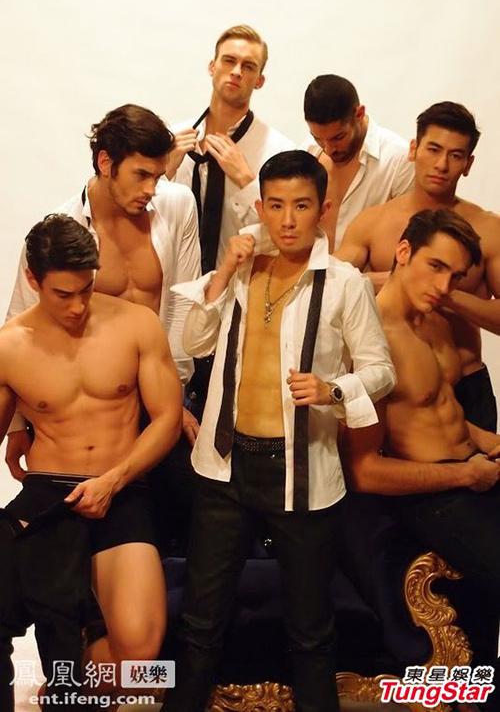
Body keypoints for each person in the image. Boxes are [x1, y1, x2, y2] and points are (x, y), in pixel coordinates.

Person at [161, 150, 396, 712]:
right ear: (261, 207)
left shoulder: (345, 284)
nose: (288, 220)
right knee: (200, 623)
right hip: (224, 466)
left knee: (311, 631)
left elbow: (381, 370)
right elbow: (195, 343)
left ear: (324, 209)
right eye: (276, 205)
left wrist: (333, 389)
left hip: (303, 471)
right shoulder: (242, 270)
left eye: (301, 206)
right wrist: (222, 272)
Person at [0, 214, 183, 711]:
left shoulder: (136, 324)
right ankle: (64, 683)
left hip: (122, 486)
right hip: (48, 493)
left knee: (144, 662)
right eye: (63, 294)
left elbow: (167, 419)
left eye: (86, 289)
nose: (78, 306)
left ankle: (69, 681)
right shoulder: (11, 345)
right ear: (33, 279)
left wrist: (115, 479)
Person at [341, 209, 500, 710]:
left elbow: (444, 414)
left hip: (471, 471)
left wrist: (489, 441)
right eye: (435, 267)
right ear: (403, 252)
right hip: (435, 495)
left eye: (455, 276)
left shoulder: (435, 324)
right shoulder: (370, 340)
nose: (444, 286)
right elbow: (364, 471)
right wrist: (464, 473)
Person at [5, 103, 200, 480]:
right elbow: (21, 323)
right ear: (106, 162)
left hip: (160, 389)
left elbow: (183, 303)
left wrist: (172, 398)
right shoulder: (61, 231)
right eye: (141, 175)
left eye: (157, 176)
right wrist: (15, 425)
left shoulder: (177, 205)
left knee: (173, 508)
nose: (151, 189)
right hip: (85, 405)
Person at [336, 101, 500, 431]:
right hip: (396, 388)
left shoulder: (488, 228)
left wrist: (447, 294)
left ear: (468, 164)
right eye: (433, 149)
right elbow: (330, 284)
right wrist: (398, 280)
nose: (441, 164)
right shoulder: (373, 223)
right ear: (414, 149)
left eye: (455, 155)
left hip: (466, 386)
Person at [165, 25, 294, 419]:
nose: (237, 71)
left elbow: (287, 238)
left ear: (260, 80)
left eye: (248, 66)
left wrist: (247, 180)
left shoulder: (279, 152)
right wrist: (164, 171)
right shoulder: (171, 140)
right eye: (229, 61)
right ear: (212, 66)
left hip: (239, 308)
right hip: (171, 302)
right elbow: (145, 216)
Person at [304, 74, 414, 249]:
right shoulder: (308, 151)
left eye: (338, 137)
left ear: (359, 114)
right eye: (318, 138)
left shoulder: (399, 161)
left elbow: (409, 244)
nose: (328, 149)